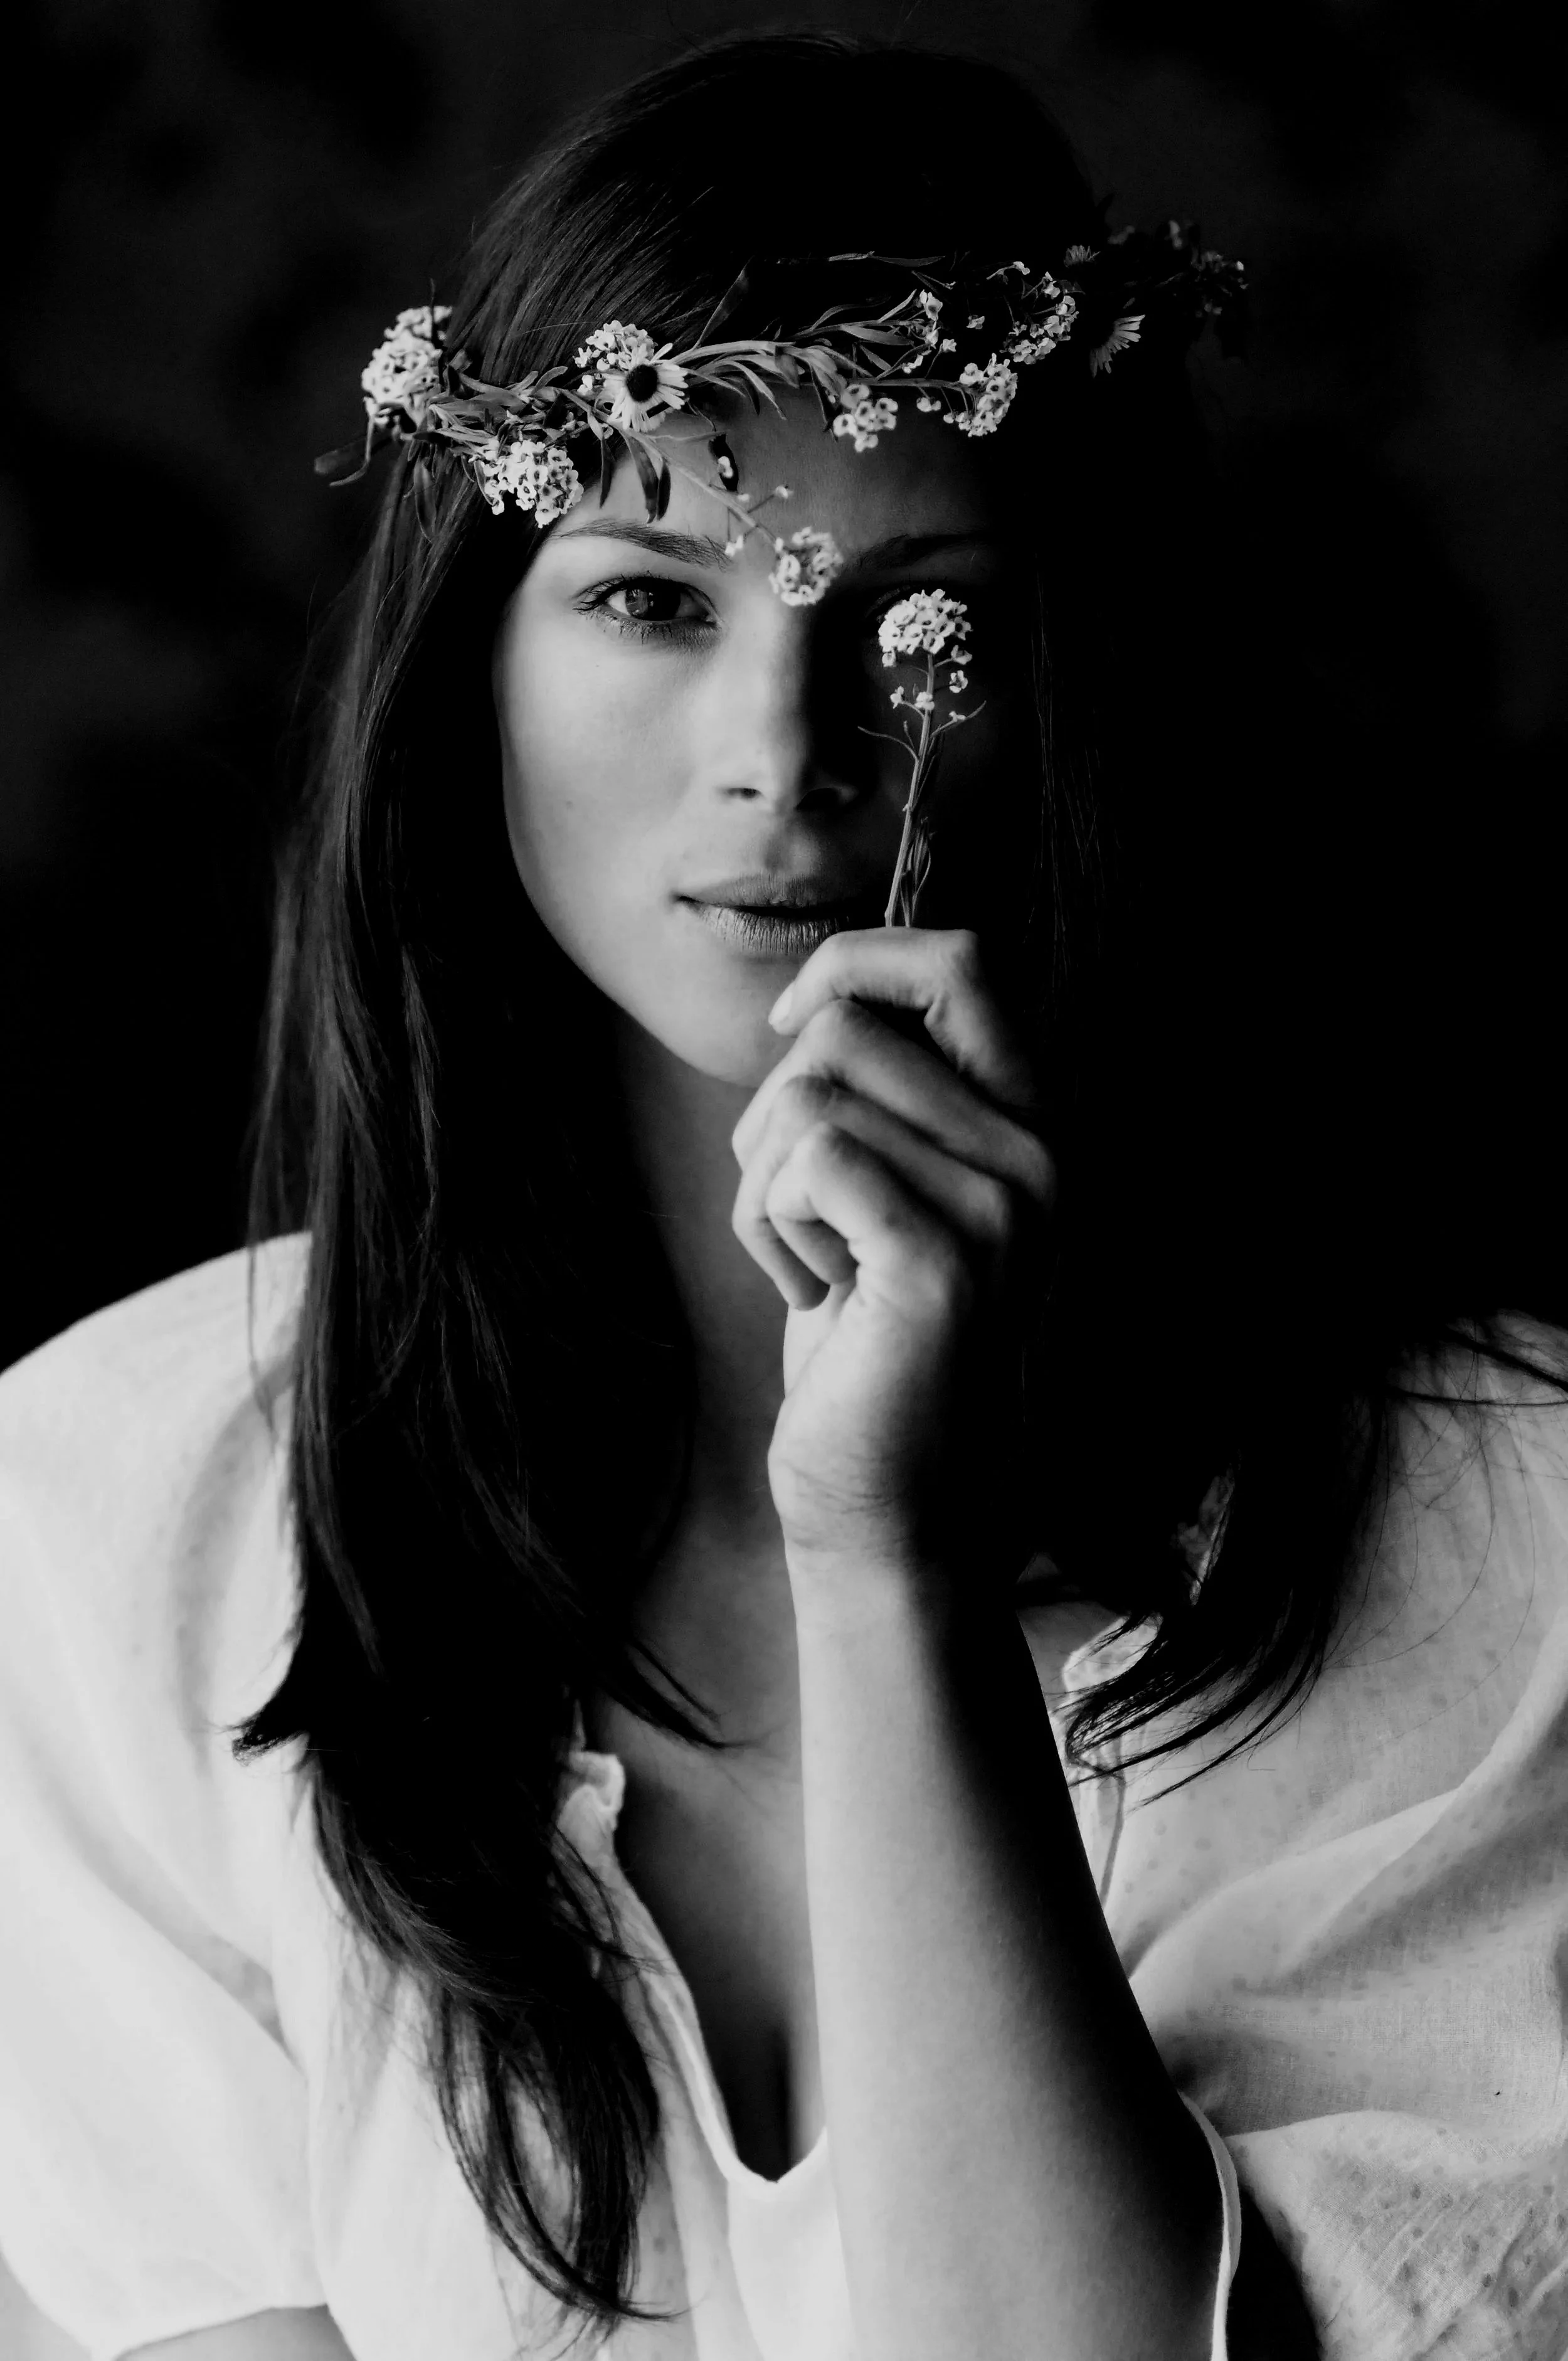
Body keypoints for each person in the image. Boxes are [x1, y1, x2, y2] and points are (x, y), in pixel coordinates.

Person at [1, 31, 1565, 2361]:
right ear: (473, 666)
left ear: (1082, 679)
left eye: (928, 627)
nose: (778, 751)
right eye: (648, 596)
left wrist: (883, 1559)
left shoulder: (1503, 1538)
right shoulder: (117, 1506)